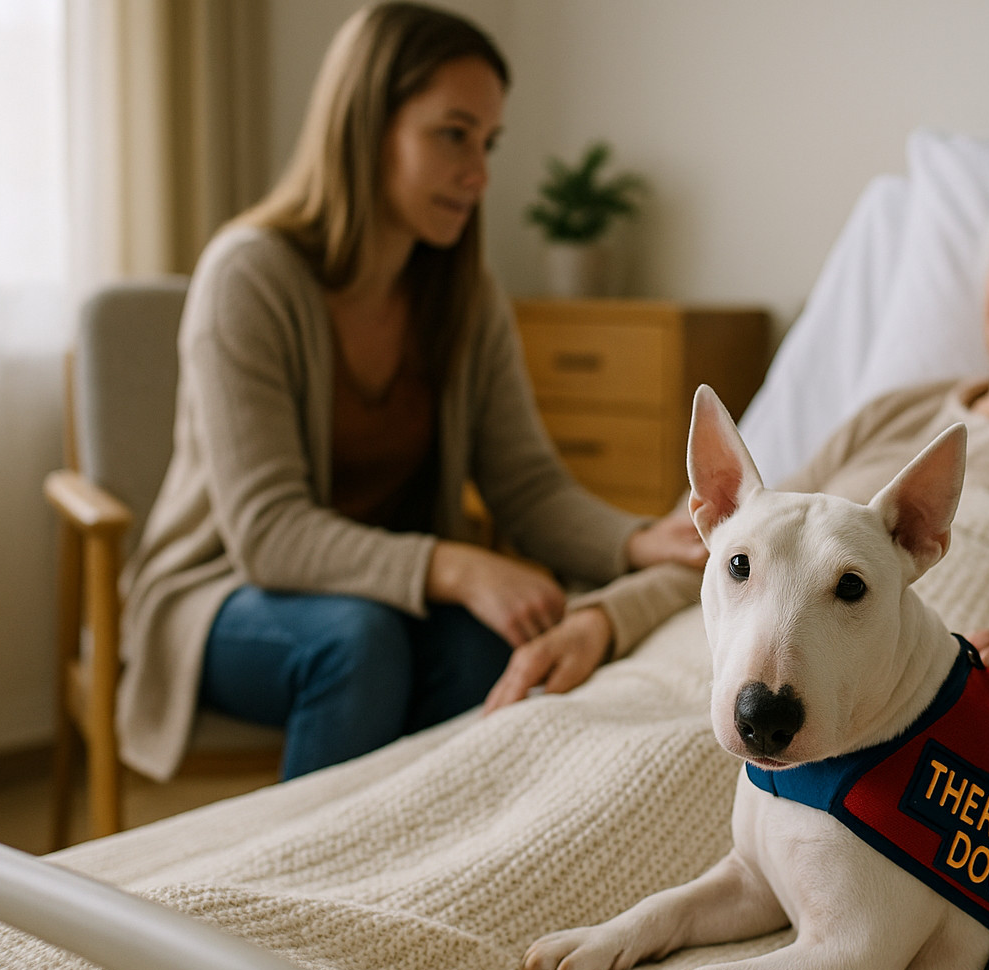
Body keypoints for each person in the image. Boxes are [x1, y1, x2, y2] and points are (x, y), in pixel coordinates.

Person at [486, 150, 989, 744]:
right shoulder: (896, 414)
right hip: (693, 665)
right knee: (540, 735)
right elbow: (742, 548)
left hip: (914, 720)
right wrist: (605, 620)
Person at [118, 1, 704, 783]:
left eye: (487, 142)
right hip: (222, 593)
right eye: (452, 134)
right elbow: (268, 532)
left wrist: (634, 542)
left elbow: (526, 487)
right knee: (356, 643)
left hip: (385, 603)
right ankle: (295, 889)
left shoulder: (466, 295)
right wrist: (459, 567)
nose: (480, 173)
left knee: (490, 644)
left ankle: (429, 869)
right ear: (366, 128)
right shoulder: (249, 276)